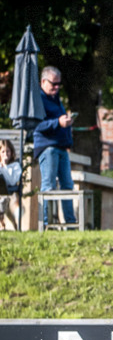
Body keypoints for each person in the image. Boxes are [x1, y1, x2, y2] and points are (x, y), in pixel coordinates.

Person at [33, 66, 76, 227]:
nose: (57, 87)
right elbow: (36, 126)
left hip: (62, 147)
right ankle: (44, 224)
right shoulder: (38, 99)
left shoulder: (55, 98)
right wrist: (58, 122)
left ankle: (71, 224)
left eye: (59, 84)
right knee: (49, 185)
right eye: (53, 84)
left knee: (67, 185)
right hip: (48, 148)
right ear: (43, 81)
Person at [0, 139, 23, 229]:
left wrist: (4, 167)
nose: (6, 154)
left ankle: (7, 224)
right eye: (3, 151)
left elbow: (12, 181)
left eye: (8, 151)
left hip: (8, 190)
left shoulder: (15, 166)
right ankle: (4, 224)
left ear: (11, 152)